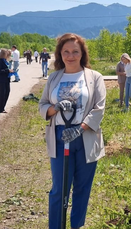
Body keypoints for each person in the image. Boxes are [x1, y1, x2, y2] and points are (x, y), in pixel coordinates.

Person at [38, 33, 106, 229]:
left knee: (82, 189)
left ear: (82, 53)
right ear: (60, 53)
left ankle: (76, 226)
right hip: (60, 137)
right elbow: (43, 105)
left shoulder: (95, 77)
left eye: (75, 51)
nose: (70, 55)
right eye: (66, 51)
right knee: (59, 190)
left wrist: (81, 128)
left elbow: (99, 108)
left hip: (85, 138)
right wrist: (56, 108)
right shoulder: (54, 78)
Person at [0, 49, 13, 113]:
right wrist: (7, 70)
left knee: (7, 91)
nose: (7, 55)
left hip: (6, 78)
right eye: (6, 53)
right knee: (2, 93)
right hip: (1, 79)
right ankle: (0, 108)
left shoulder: (5, 60)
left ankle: (3, 106)